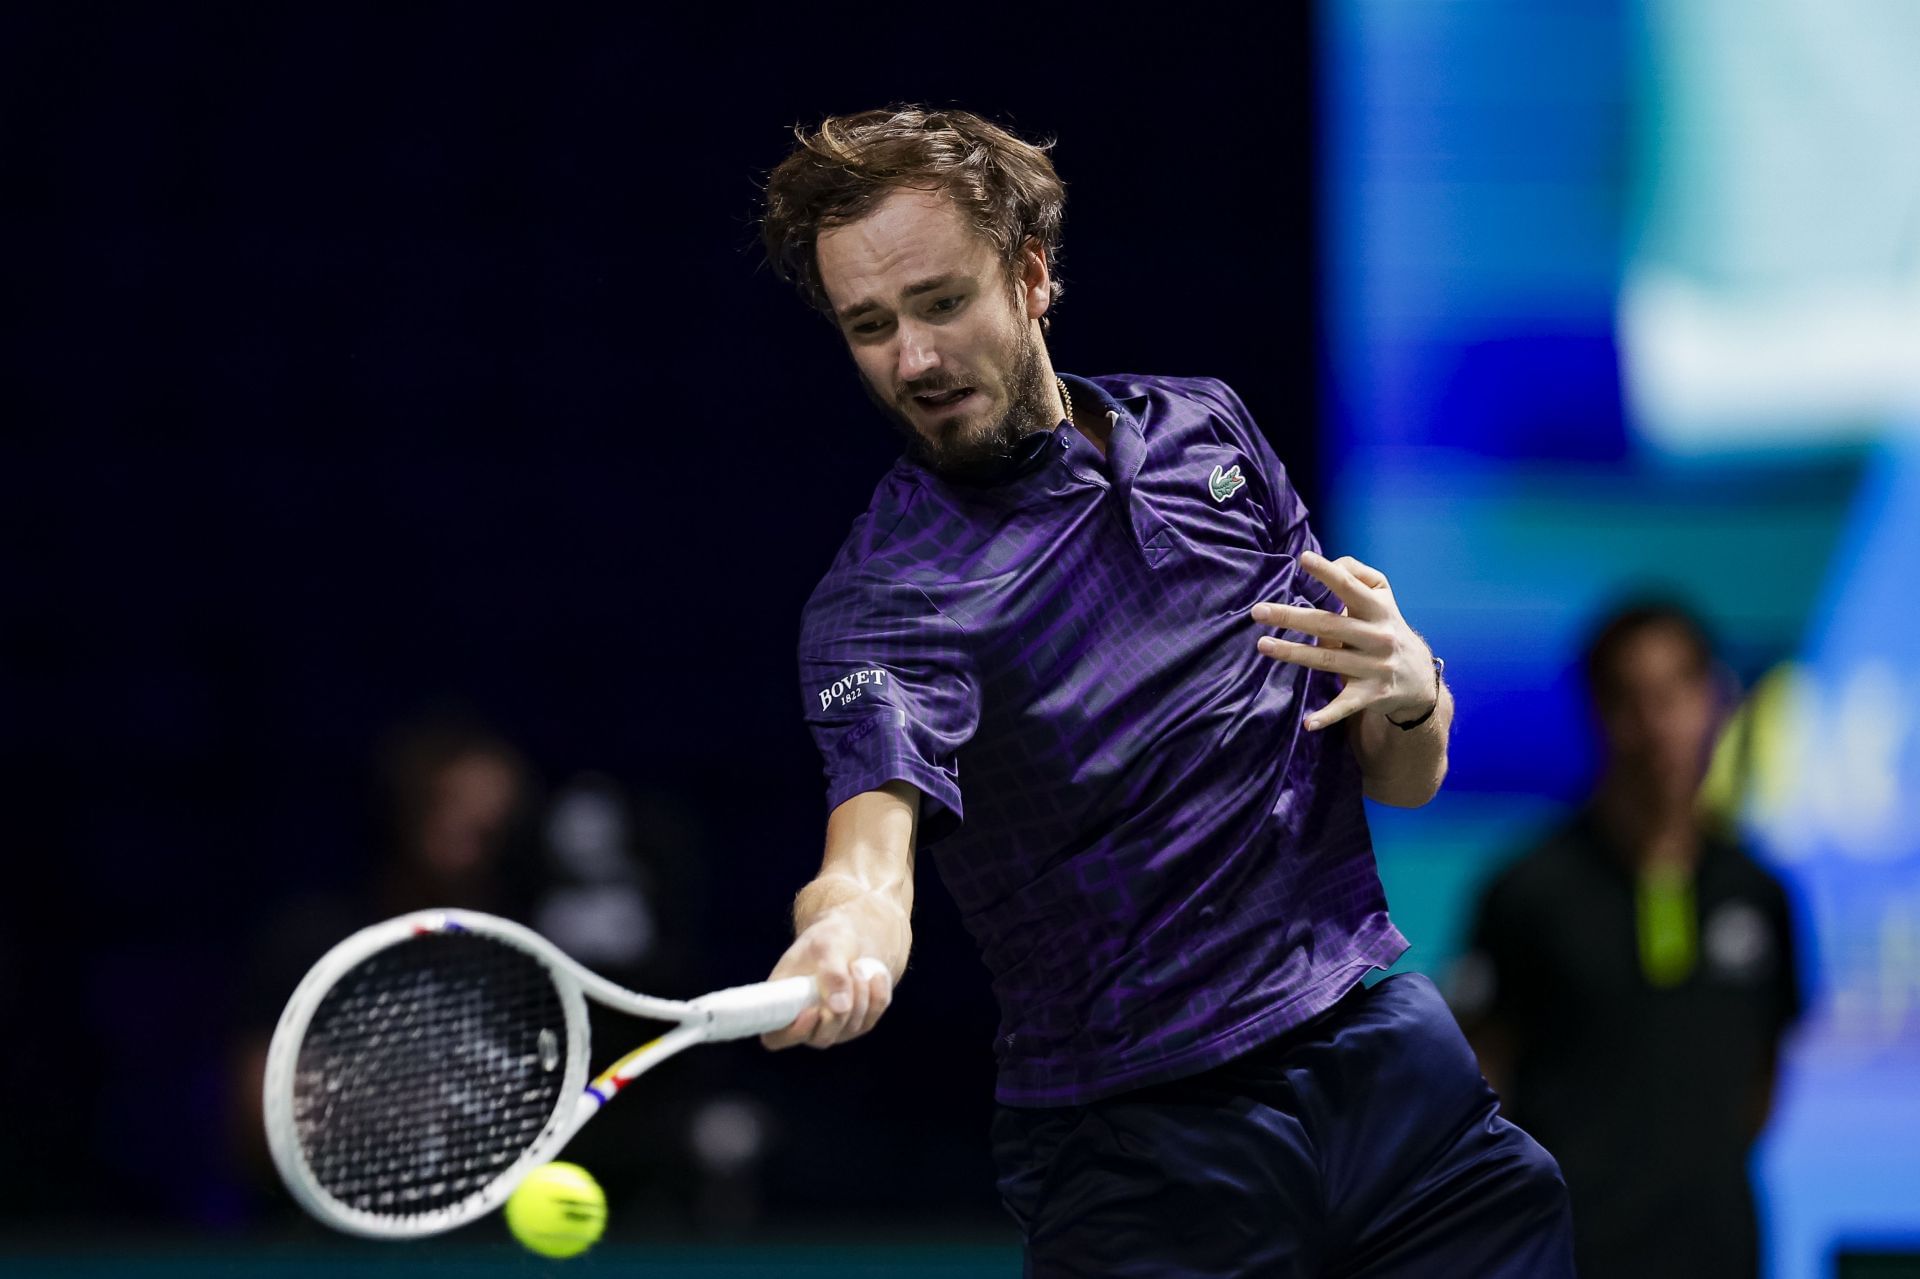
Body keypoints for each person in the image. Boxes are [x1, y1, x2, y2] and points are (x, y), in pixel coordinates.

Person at [753, 107, 1573, 1276]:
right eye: (870, 326)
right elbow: (869, 859)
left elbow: (1405, 777)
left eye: (941, 303)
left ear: (1031, 276)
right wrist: (843, 929)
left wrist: (1409, 689)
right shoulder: (889, 598)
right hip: (1145, 1144)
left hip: (1378, 1061)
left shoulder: (1206, 433)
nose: (914, 361)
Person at [1452, 603, 1803, 1279]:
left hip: (1720, 1252)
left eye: (1674, 695)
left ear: (1716, 701)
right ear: (1597, 712)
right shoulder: (1528, 891)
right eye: (1631, 700)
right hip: (1568, 1252)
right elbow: (1479, 1077)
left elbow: (1762, 1080)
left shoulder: (1759, 894)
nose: (1656, 727)